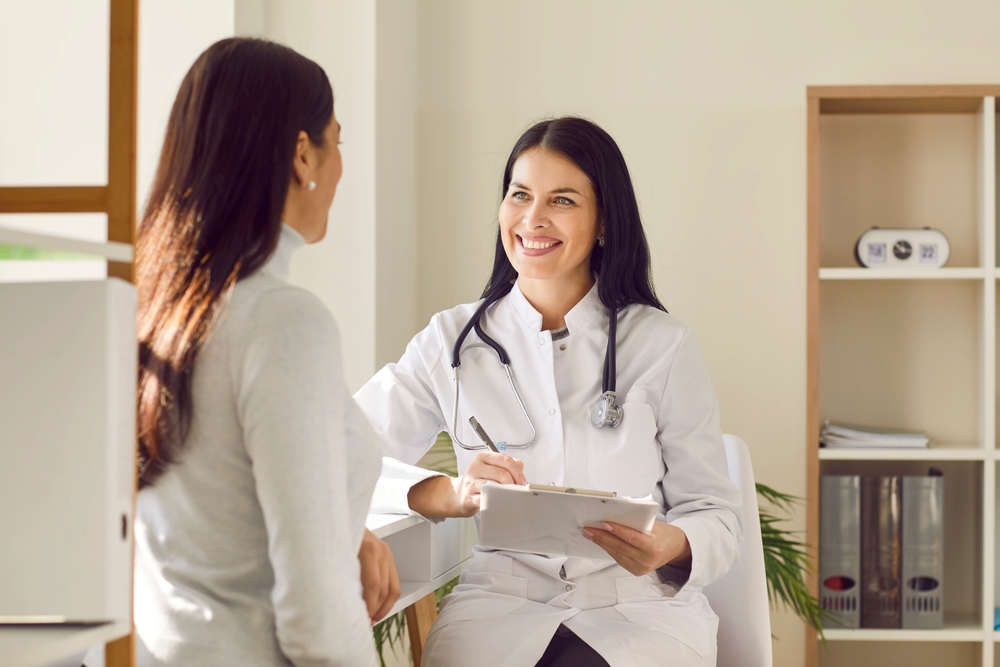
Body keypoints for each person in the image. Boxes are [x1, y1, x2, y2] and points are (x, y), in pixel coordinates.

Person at [354, 117, 743, 667]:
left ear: (604, 221)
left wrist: (670, 545)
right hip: (499, 605)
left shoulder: (662, 345)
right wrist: (444, 492)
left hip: (638, 611)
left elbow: (716, 514)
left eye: (561, 200)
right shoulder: (452, 340)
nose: (532, 219)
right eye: (520, 195)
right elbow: (337, 452)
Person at [132, 38, 396, 666]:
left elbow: (210, 501)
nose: (339, 167)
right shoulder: (283, 321)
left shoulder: (153, 308)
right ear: (304, 153)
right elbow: (315, 619)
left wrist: (339, 528)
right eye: (337, 140)